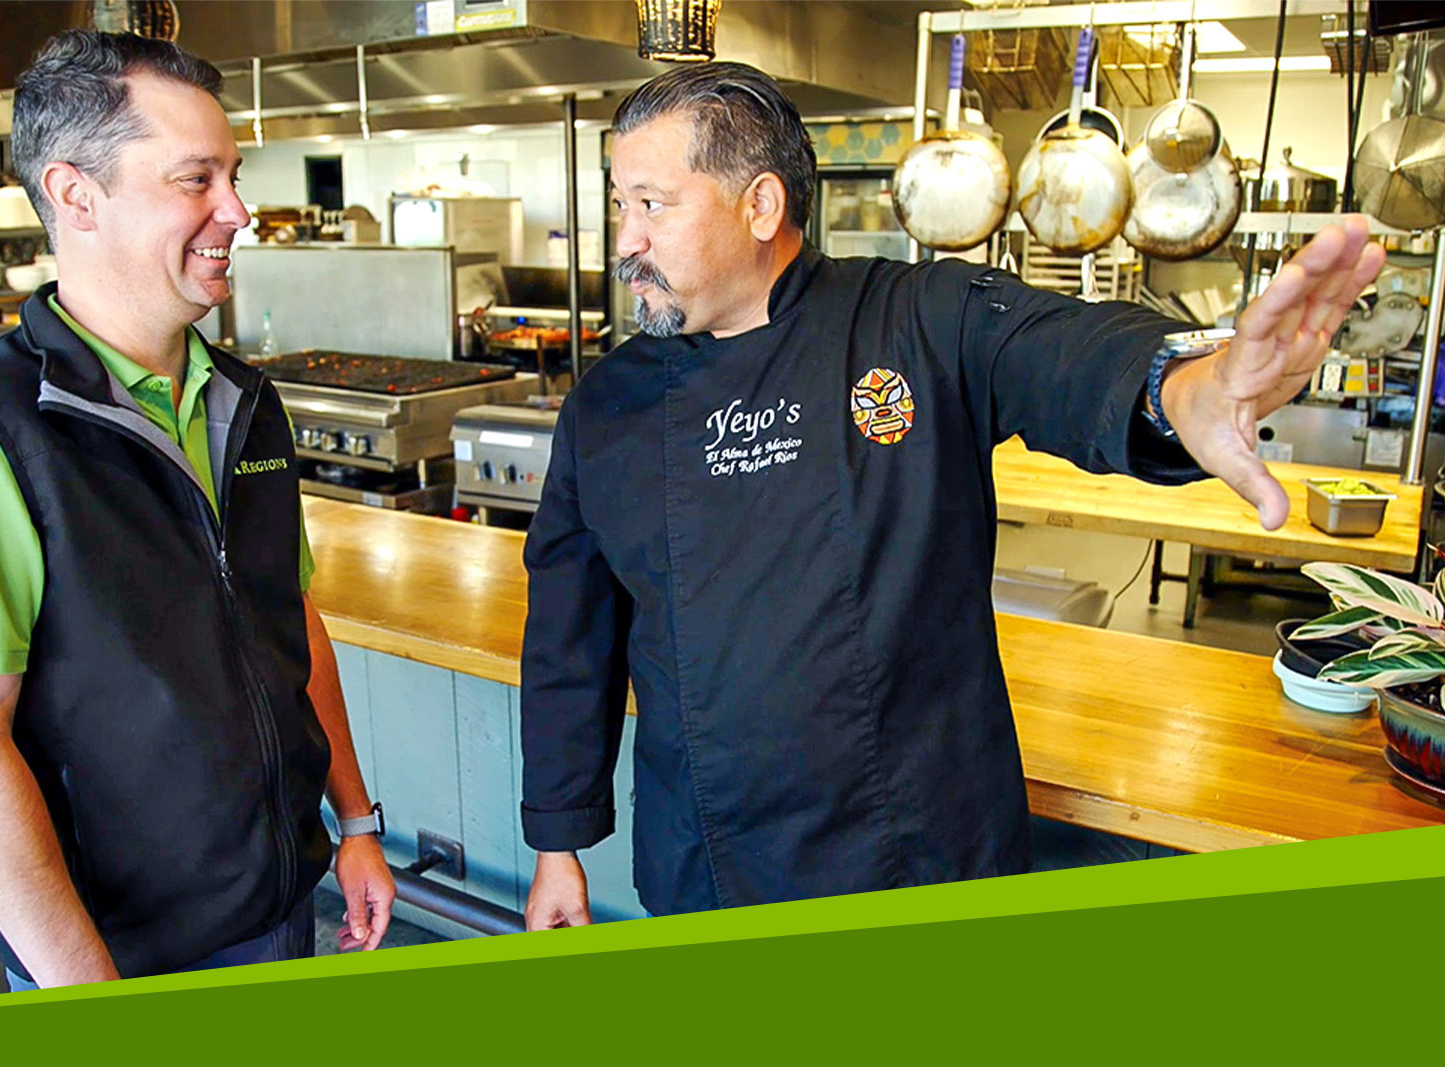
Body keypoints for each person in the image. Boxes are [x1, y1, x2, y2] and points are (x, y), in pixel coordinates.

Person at [518, 61, 1384, 926]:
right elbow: (569, 635)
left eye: (651, 204)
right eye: (619, 202)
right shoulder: (609, 404)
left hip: (917, 862)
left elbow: (1056, 349)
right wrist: (558, 844)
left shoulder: (915, 321)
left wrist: (1184, 387)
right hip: (709, 867)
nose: (625, 238)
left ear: (760, 206)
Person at [0, 30, 395, 988]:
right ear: (76, 195)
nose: (238, 210)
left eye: (232, 175)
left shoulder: (244, 400)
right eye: (197, 180)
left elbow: (289, 618)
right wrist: (84, 992)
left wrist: (353, 821)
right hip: (118, 953)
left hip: (280, 904)